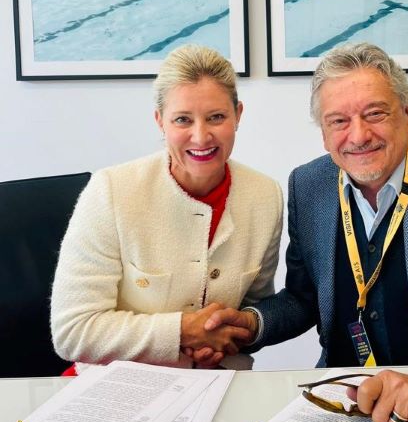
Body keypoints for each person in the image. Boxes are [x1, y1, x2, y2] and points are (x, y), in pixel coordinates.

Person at [198, 42, 408, 422]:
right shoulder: (308, 184)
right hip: (343, 406)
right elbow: (303, 297)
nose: (359, 136)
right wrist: (249, 324)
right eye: (338, 121)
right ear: (324, 134)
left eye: (375, 114)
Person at [51, 45, 283, 370]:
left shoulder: (264, 195)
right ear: (160, 121)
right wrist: (185, 332)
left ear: (238, 115)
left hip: (216, 382)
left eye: (216, 117)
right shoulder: (110, 192)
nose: (201, 136)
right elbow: (72, 332)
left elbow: (254, 307)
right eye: (182, 120)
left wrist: (228, 335)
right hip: (112, 387)